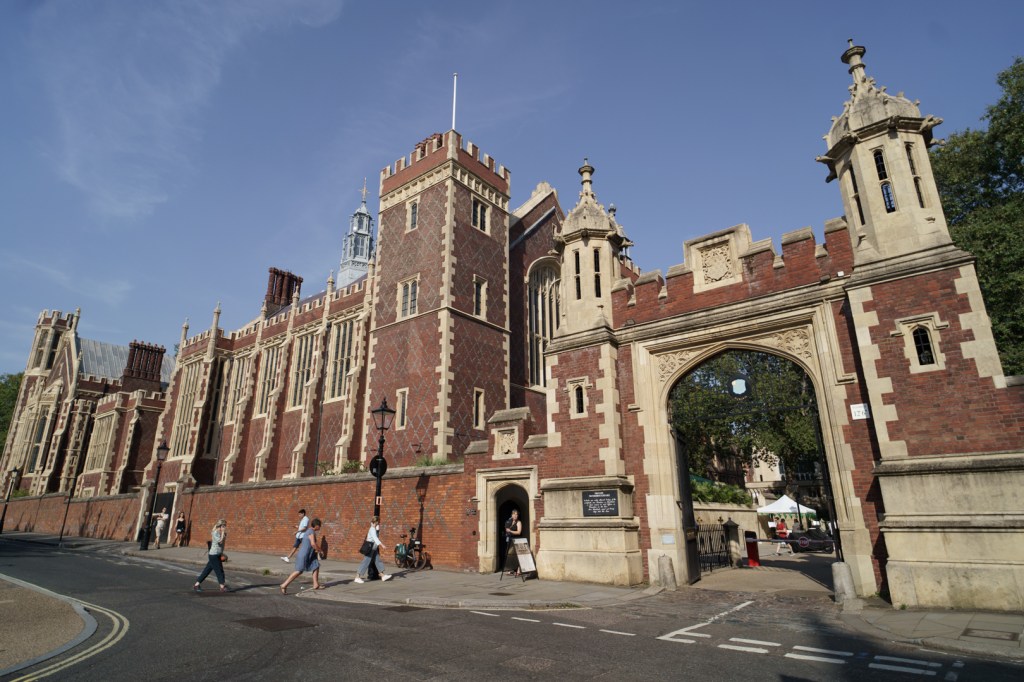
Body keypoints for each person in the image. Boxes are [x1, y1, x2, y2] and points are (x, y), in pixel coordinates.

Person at [280, 518, 324, 594]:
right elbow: (313, 544)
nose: (320, 527)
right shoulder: (311, 532)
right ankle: (284, 585)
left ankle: (315, 584)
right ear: (316, 526)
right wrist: (320, 550)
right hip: (304, 555)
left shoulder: (310, 531)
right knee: (299, 571)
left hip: (310, 555)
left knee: (316, 566)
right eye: (319, 526)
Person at [193, 519, 228, 592]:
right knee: (219, 570)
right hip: (213, 555)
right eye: (224, 526)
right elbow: (220, 541)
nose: (225, 527)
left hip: (217, 554)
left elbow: (222, 545)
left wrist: (221, 553)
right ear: (220, 526)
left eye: (225, 526)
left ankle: (196, 585)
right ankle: (222, 586)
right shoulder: (215, 533)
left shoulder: (220, 532)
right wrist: (223, 533)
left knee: (207, 570)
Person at [354, 516, 391, 583]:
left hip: (373, 548)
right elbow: (375, 539)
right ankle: (357, 577)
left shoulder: (373, 528)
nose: (379, 524)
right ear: (376, 522)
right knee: (365, 562)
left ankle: (383, 576)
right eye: (378, 522)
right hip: (370, 548)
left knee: (378, 561)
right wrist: (382, 545)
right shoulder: (372, 529)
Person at [503, 508, 523, 576]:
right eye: (514, 514)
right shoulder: (509, 521)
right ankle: (511, 569)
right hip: (510, 540)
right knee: (510, 555)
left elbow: (519, 532)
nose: (515, 516)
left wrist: (511, 531)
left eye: (517, 514)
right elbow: (506, 529)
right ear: (512, 515)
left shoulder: (519, 522)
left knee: (517, 555)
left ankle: (519, 570)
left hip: (516, 541)